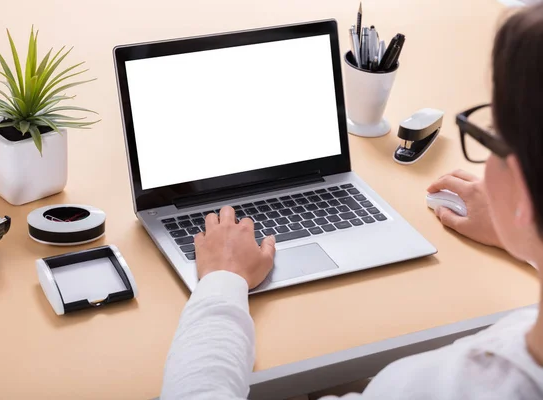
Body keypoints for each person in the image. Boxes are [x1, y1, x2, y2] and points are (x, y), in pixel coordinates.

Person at [160, 4, 543, 399]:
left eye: (492, 134)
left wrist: (223, 280)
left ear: (524, 190)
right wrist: (528, 234)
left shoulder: (434, 388)